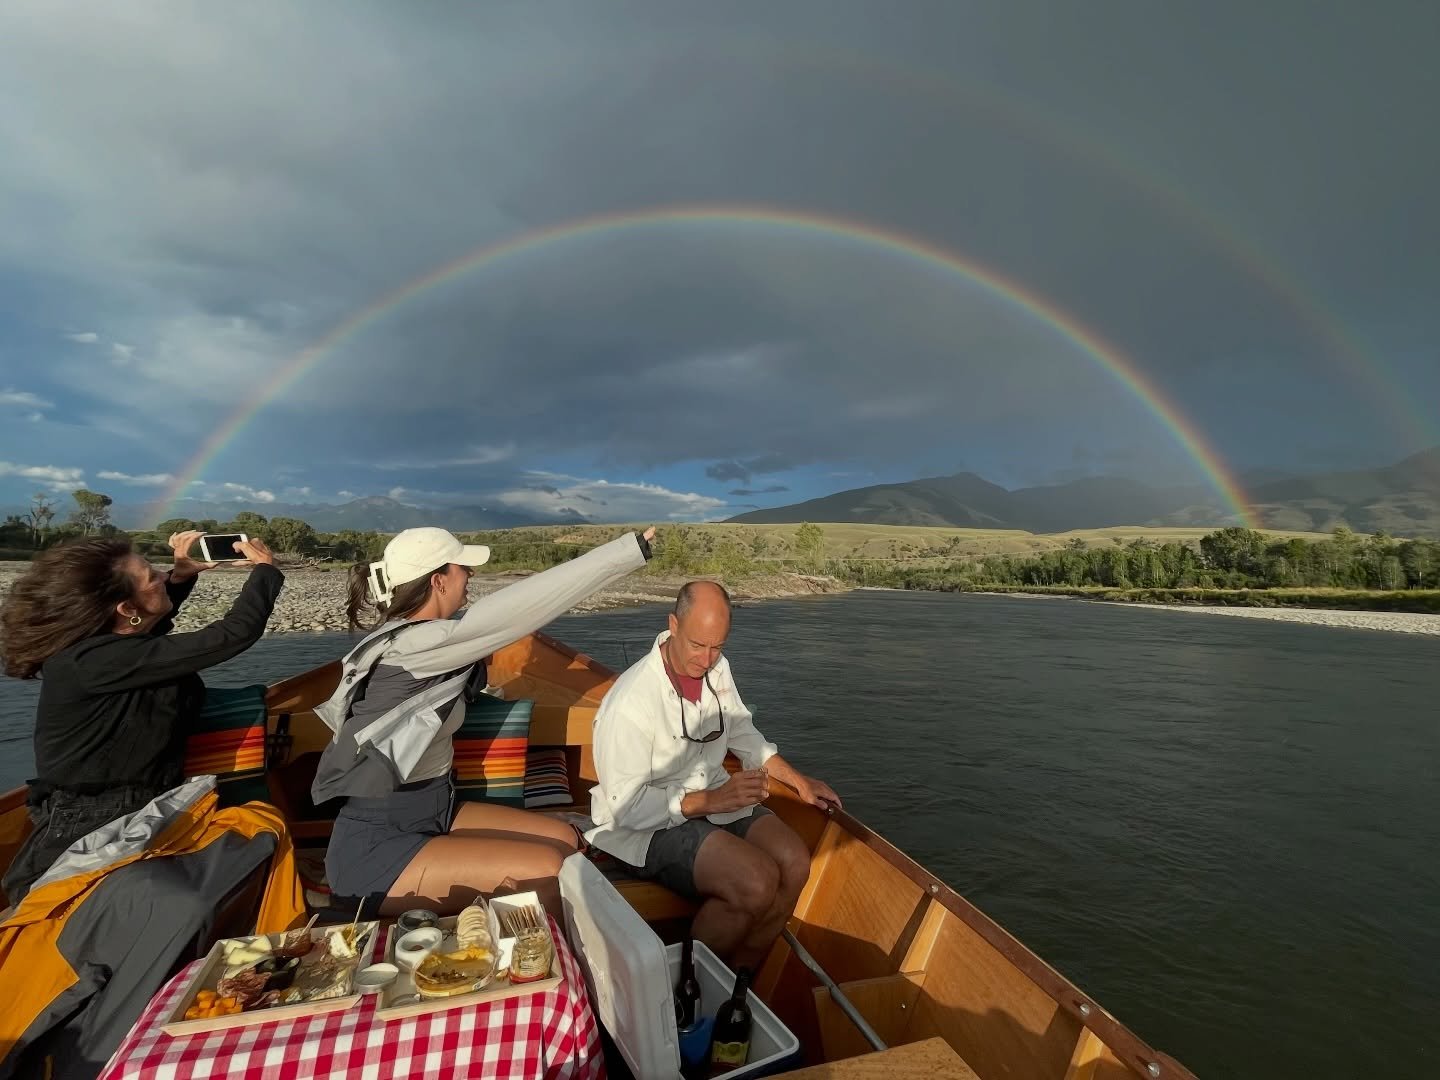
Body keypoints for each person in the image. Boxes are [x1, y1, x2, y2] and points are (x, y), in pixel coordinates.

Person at [313, 525, 655, 917]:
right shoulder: (419, 643)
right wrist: (626, 552)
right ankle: (554, 974)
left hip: (436, 807)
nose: (470, 575)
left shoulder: (418, 639)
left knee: (566, 837)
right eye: (463, 568)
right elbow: (517, 609)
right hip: (380, 840)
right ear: (439, 580)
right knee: (553, 870)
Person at [0, 530, 283, 904]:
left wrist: (181, 576)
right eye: (154, 577)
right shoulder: (92, 661)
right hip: (93, 816)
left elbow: (146, 632)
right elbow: (230, 635)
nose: (162, 576)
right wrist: (266, 571)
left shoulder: (110, 648)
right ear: (125, 609)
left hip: (140, 800)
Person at [587, 580, 841, 970]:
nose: (706, 659)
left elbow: (740, 731)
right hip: (646, 828)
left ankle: (738, 986)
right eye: (697, 645)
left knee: (794, 863)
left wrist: (798, 781)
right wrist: (712, 801)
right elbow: (627, 809)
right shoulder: (630, 702)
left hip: (711, 799)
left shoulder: (717, 669)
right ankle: (683, 993)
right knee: (754, 882)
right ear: (673, 624)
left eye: (717, 647)